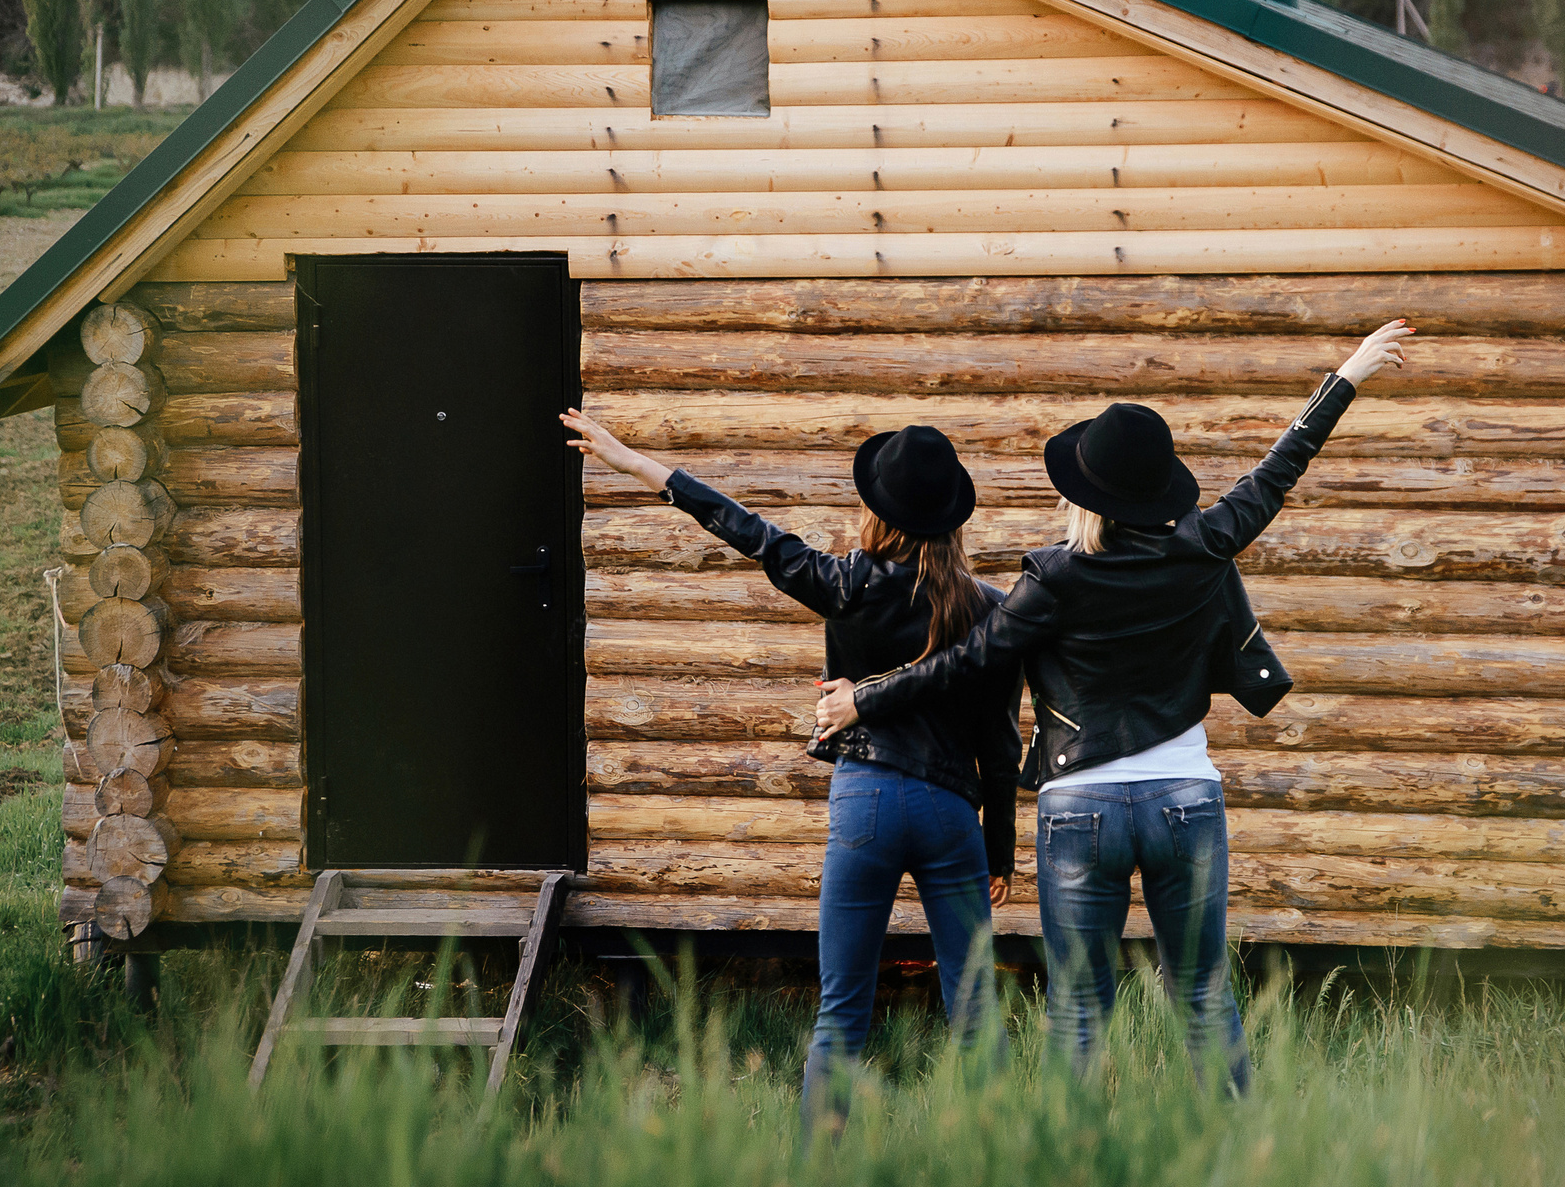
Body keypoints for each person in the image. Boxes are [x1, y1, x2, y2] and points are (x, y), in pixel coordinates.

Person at [815, 320, 1411, 1094]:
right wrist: (1348, 376)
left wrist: (866, 696)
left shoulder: (1052, 580)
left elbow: (964, 664)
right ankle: (1240, 1174)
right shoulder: (1206, 544)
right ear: (1160, 488)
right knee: (1202, 996)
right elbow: (1278, 470)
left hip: (1079, 809)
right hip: (1186, 799)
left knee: (1076, 1012)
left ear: (1083, 493)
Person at [561, 409, 1018, 1133]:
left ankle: (817, 1179)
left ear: (878, 511)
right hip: (951, 813)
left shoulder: (844, 584)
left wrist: (637, 463)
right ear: (949, 517)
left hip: (866, 801)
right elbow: (1000, 744)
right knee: (974, 1007)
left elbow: (745, 530)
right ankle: (999, 1172)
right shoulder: (987, 608)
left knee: (843, 1009)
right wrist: (1001, 851)